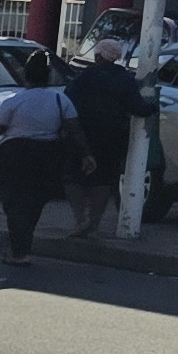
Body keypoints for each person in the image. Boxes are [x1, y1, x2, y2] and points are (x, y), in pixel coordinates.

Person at [0, 50, 81, 273]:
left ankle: (19, 252)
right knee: (35, 201)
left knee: (14, 202)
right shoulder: (60, 100)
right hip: (47, 154)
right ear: (48, 75)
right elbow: (75, 130)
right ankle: (22, 246)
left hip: (15, 154)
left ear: (25, 74)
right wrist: (86, 155)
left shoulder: (14, 101)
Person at [64, 36, 147, 236]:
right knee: (103, 179)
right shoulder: (125, 78)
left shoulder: (84, 77)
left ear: (98, 56)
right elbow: (138, 106)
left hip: (83, 133)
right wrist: (152, 107)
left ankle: (80, 219)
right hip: (112, 135)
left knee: (74, 176)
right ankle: (94, 221)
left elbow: (67, 99)